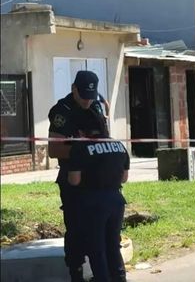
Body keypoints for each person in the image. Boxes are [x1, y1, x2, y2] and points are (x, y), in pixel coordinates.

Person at [48, 70, 107, 282]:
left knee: (101, 227)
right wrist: (83, 149)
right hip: (72, 177)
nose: (87, 101)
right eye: (83, 96)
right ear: (74, 89)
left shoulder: (97, 104)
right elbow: (54, 150)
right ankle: (76, 273)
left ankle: (103, 273)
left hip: (99, 178)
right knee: (76, 227)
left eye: (91, 96)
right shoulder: (62, 111)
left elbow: (104, 138)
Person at [65, 129, 129, 282]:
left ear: (81, 132)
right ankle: (119, 277)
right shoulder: (118, 145)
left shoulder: (80, 147)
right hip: (116, 200)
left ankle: (102, 278)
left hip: (93, 202)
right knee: (113, 244)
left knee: (97, 247)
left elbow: (74, 180)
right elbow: (124, 178)